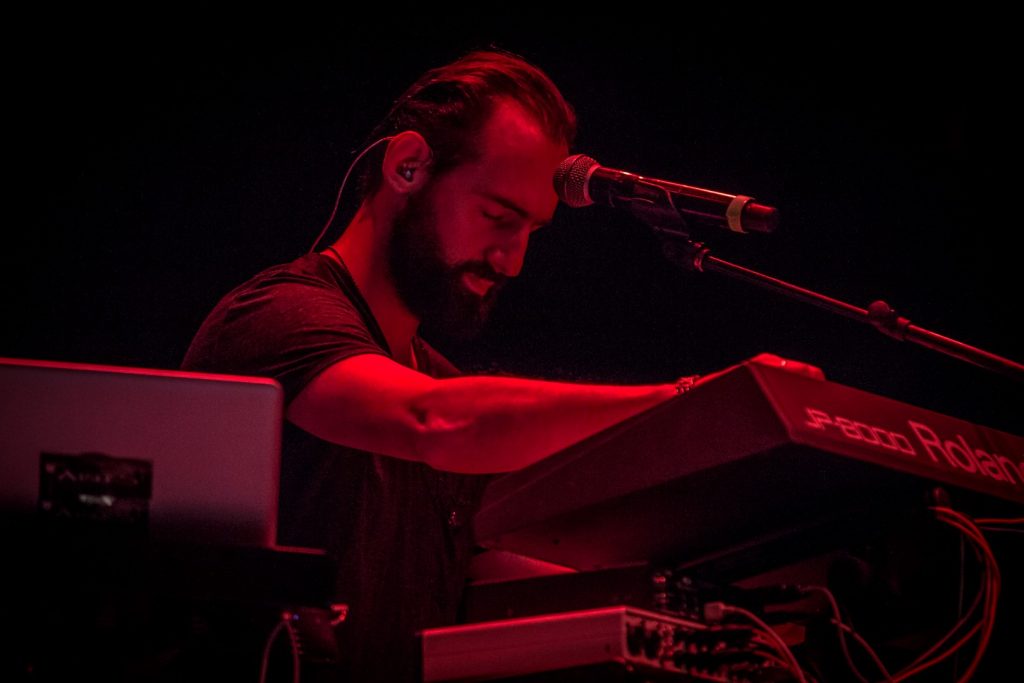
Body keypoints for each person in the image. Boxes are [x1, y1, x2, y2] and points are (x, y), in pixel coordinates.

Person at [181, 48, 805, 681]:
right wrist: (689, 403)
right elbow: (435, 421)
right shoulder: (275, 315)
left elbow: (491, 569)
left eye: (531, 230)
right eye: (498, 217)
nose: (513, 261)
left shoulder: (439, 382)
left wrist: (722, 613)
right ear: (407, 166)